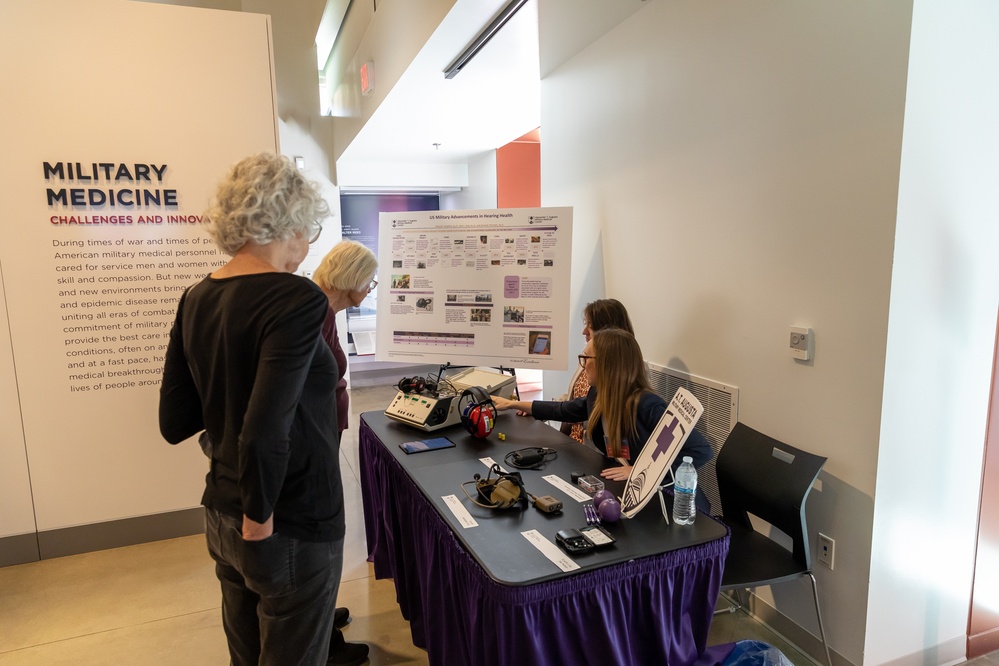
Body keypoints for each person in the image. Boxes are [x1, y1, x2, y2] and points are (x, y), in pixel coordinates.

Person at [159, 153, 345, 666]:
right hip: (286, 519)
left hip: (220, 511)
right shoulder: (297, 298)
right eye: (309, 230)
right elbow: (265, 431)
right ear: (289, 220)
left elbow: (174, 421)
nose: (307, 247)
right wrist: (258, 521)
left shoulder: (197, 296)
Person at [493, 328, 712, 511]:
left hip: (673, 504)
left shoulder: (647, 405)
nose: (582, 364)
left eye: (586, 358)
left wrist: (640, 470)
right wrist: (514, 404)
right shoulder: (599, 394)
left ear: (608, 364)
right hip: (633, 495)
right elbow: (566, 410)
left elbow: (701, 451)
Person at [312, 239, 378, 666]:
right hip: (314, 438)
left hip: (325, 432)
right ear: (351, 278)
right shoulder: (314, 311)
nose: (370, 289)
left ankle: (319, 617)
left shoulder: (326, 312)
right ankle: (320, 639)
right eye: (368, 281)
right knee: (322, 536)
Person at [559, 298, 635, 443]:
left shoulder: (628, 373)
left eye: (590, 326)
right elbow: (576, 400)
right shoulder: (590, 356)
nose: (584, 332)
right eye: (585, 324)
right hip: (574, 443)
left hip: (592, 450)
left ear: (608, 332)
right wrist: (535, 408)